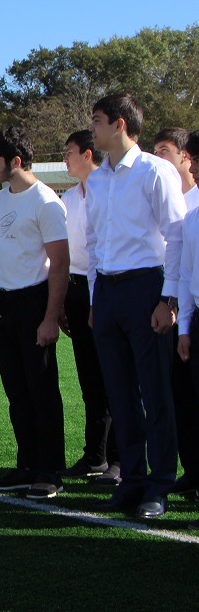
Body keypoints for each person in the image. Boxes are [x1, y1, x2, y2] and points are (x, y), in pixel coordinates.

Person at [87, 94, 185, 519]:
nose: (92, 128)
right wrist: (95, 298)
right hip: (108, 292)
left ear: (120, 124)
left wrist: (169, 298)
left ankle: (159, 484)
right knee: (120, 393)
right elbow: (93, 243)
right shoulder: (99, 179)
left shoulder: (154, 171)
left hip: (147, 287)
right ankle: (133, 478)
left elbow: (176, 237)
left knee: (155, 390)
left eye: (97, 121)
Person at [0, 127, 69, 500]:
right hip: (3, 304)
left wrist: (50, 317)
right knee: (17, 391)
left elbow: (61, 263)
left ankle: (50, 471)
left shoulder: (46, 202)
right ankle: (26, 466)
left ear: (15, 161)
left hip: (34, 302)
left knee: (41, 390)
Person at [58, 131, 121, 485]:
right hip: (77, 289)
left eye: (69, 152)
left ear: (87, 154)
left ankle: (118, 458)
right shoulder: (68, 197)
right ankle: (94, 454)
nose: (65, 158)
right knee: (89, 381)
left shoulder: (107, 188)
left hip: (105, 288)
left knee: (113, 379)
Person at [153, 127, 199, 499]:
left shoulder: (190, 204)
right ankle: (193, 470)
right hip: (189, 316)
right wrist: (182, 321)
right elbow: (184, 272)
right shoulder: (191, 213)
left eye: (166, 151)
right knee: (184, 397)